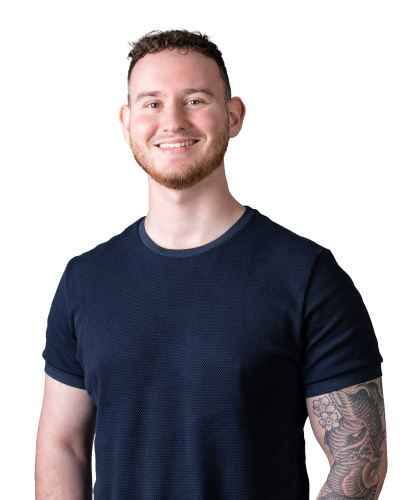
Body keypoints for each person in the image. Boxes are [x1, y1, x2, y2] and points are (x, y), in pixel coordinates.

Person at [35, 27, 387, 499]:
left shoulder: (307, 277)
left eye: (196, 99)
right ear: (125, 123)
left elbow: (358, 456)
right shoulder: (83, 281)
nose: (173, 121)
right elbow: (64, 444)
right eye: (152, 103)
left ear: (235, 115)